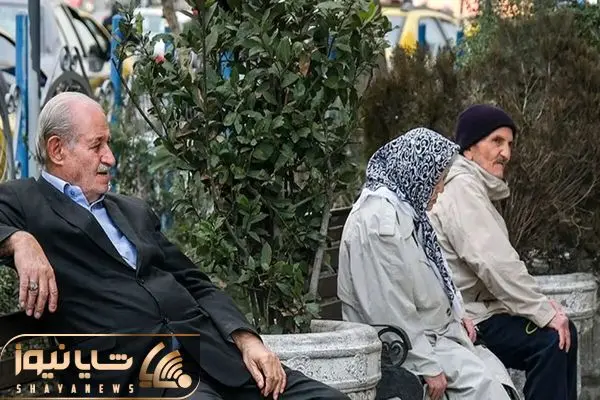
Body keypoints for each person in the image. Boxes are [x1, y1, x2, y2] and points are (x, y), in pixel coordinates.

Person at [0, 92, 348, 400]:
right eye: (97, 146)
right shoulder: (28, 201)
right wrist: (20, 240)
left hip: (213, 356)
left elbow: (196, 283)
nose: (110, 158)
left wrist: (247, 339)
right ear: (57, 150)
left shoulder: (132, 211)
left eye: (108, 144)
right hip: (135, 374)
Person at [337, 128, 514, 400]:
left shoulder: (404, 209)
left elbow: (430, 278)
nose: (440, 189)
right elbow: (388, 308)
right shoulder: (379, 224)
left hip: (433, 335)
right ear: (416, 173)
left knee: (498, 379)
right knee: (488, 389)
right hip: (410, 347)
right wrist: (427, 365)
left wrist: (458, 315)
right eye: (437, 180)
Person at [428, 104, 578, 400]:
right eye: (496, 141)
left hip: (481, 311)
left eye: (509, 144)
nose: (506, 153)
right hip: (468, 319)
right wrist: (543, 311)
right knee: (553, 340)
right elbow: (495, 264)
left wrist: (542, 307)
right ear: (469, 148)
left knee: (562, 333)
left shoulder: (471, 186)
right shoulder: (463, 188)